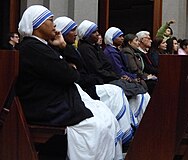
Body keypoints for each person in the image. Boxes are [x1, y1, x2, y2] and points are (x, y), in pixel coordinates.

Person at [16, 5, 123, 160]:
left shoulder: (43, 45)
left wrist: (64, 46)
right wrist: (69, 68)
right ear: (37, 24)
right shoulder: (33, 47)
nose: (54, 25)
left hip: (53, 100)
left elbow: (77, 66)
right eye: (50, 20)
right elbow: (71, 76)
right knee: (96, 127)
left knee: (104, 116)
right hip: (45, 107)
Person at [54, 16, 135, 148]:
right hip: (80, 89)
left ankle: (126, 133)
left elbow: (101, 66)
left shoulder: (87, 48)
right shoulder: (82, 49)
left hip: (85, 85)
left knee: (108, 115)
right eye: (72, 30)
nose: (75, 33)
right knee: (101, 118)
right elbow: (80, 73)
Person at [77, 20, 150, 126]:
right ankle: (129, 124)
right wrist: (119, 77)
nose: (98, 34)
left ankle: (139, 121)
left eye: (97, 31)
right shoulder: (86, 49)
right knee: (124, 91)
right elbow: (98, 70)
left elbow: (107, 66)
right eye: (94, 32)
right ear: (87, 35)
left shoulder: (96, 47)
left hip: (108, 77)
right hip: (100, 81)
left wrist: (120, 76)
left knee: (141, 92)